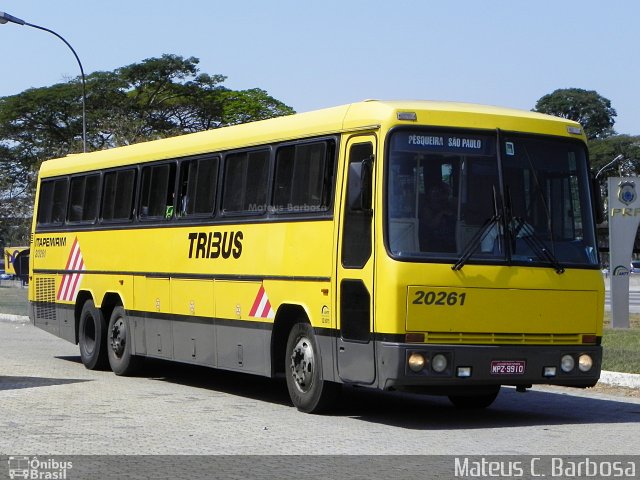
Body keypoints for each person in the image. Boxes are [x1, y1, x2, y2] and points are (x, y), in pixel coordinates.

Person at [419, 182, 456, 252]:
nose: (437, 195)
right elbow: (431, 226)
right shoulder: (427, 209)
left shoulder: (448, 204)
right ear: (429, 195)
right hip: (433, 242)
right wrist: (441, 213)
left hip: (451, 240)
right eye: (434, 193)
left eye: (439, 193)